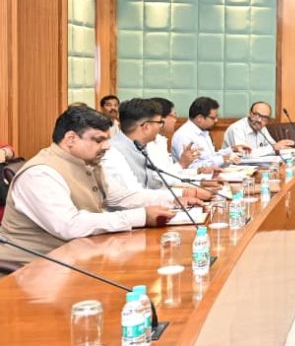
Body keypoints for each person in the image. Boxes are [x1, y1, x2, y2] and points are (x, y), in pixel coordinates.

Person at [0, 106, 183, 271]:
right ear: (71, 139)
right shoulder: (40, 174)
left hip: (76, 258)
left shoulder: (87, 162)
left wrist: (175, 198)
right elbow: (70, 225)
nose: (107, 146)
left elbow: (119, 197)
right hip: (33, 269)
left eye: (107, 139)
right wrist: (141, 216)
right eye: (99, 140)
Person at [101, 99, 213, 203]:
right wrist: (184, 193)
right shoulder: (113, 152)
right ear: (146, 127)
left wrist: (195, 185)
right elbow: (134, 195)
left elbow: (156, 181)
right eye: (159, 122)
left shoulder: (140, 146)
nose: (160, 126)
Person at [171, 97, 241, 167]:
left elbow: (210, 157)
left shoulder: (203, 131)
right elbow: (192, 167)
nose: (216, 120)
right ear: (200, 118)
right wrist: (222, 159)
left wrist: (232, 149)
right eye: (213, 118)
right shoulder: (184, 135)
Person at [222, 101, 294, 157]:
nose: (259, 120)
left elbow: (273, 146)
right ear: (250, 114)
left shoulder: (262, 128)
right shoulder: (237, 128)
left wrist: (283, 148)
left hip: (256, 166)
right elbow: (245, 154)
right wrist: (272, 148)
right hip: (234, 167)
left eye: (264, 118)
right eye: (257, 115)